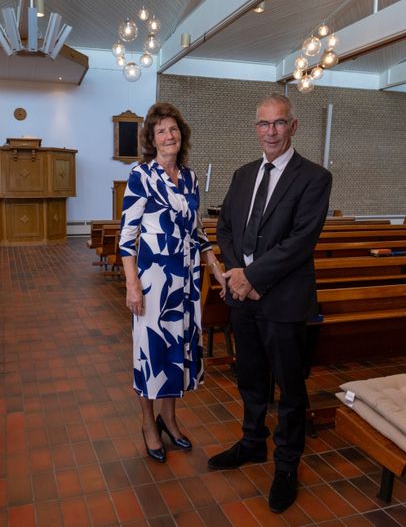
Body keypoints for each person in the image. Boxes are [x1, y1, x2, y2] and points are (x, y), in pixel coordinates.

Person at [208, 93, 332, 513]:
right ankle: (251, 443)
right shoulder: (243, 174)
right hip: (244, 299)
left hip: (284, 300)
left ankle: (286, 465)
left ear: (293, 126)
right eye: (264, 124)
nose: (271, 131)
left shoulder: (314, 177)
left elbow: (301, 242)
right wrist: (235, 273)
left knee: (290, 388)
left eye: (279, 123)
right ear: (255, 128)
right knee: (251, 377)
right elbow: (225, 227)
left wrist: (251, 277)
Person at [119, 102, 225, 463]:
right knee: (151, 352)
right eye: (162, 130)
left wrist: (213, 261)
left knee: (176, 350)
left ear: (182, 134)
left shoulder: (190, 177)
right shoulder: (141, 175)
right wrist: (132, 284)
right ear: (152, 138)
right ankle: (148, 422)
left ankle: (170, 417)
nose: (169, 135)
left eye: (174, 129)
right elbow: (126, 236)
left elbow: (197, 230)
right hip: (153, 279)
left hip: (186, 279)